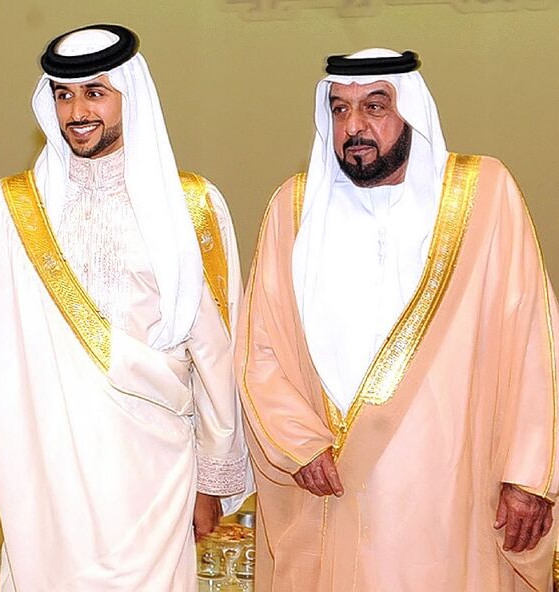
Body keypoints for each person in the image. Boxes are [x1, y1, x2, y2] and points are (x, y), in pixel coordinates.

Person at [237, 47, 559, 591]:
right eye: (339, 110)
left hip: (456, 491)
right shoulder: (295, 211)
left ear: (410, 110)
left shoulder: (483, 195)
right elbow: (258, 346)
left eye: (375, 107)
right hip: (333, 491)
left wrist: (530, 477)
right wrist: (298, 442)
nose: (354, 126)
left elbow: (534, 338)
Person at [0, 24, 248, 591]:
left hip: (154, 473)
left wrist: (213, 478)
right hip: (43, 469)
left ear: (129, 97)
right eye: (63, 95)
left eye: (94, 92)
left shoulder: (193, 205)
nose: (76, 111)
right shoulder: (13, 208)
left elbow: (216, 351)